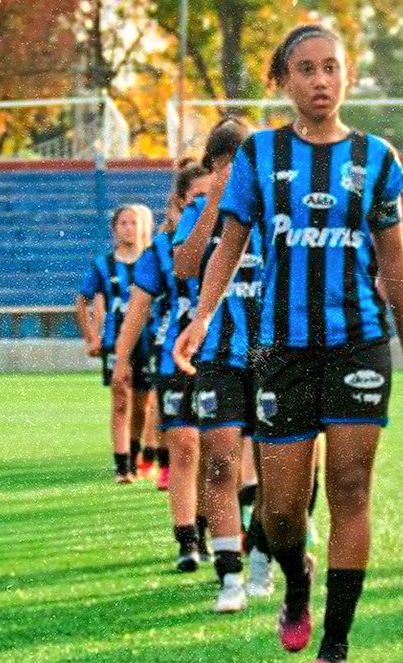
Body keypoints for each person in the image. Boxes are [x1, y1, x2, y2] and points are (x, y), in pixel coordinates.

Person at [173, 24, 403, 663]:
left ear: (345, 76)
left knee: (351, 488)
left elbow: (396, 259)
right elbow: (229, 246)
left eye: (331, 67)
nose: (320, 80)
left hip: (358, 342)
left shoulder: (377, 157)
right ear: (284, 80)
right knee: (281, 507)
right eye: (306, 69)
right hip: (284, 350)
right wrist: (202, 317)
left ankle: (336, 642)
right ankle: (296, 583)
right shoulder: (260, 156)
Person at [171, 117, 265, 613]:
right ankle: (229, 576)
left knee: (278, 468)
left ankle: (265, 558)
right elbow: (185, 266)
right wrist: (213, 201)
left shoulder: (274, 205)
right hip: (219, 353)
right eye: (222, 166)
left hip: (274, 352)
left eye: (239, 164)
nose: (232, 174)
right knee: (220, 461)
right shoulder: (201, 211)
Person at [114, 161, 210, 572]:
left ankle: (215, 531)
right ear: (181, 202)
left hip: (227, 355)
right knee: (185, 446)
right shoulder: (163, 249)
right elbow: (138, 307)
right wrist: (121, 359)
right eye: (199, 198)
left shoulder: (243, 237)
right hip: (177, 356)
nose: (209, 206)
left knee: (216, 452)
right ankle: (187, 540)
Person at [75, 204, 154, 484]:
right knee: (121, 400)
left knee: (143, 404)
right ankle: (122, 467)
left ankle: (135, 455)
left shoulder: (152, 260)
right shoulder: (103, 265)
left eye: (133, 223)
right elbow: (82, 300)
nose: (129, 228)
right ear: (114, 228)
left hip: (148, 341)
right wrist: (91, 337)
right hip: (115, 343)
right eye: (123, 223)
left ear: (142, 227)